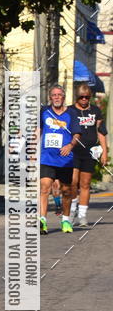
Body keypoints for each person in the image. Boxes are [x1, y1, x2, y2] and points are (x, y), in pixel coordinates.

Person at [39, 84, 81, 235]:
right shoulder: (44, 111)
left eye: (59, 95)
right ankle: (42, 220)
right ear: (50, 97)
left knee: (66, 191)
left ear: (63, 97)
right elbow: (39, 129)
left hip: (65, 159)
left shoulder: (71, 113)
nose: (56, 97)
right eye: (54, 95)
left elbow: (77, 134)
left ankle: (65, 220)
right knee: (44, 187)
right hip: (47, 158)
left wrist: (70, 145)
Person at [68, 83, 108, 228]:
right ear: (76, 97)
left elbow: (101, 131)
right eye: (81, 97)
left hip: (89, 152)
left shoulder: (95, 110)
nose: (84, 100)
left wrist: (104, 152)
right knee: (72, 182)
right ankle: (71, 212)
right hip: (73, 151)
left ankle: (83, 215)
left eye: (87, 97)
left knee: (85, 184)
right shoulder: (69, 110)